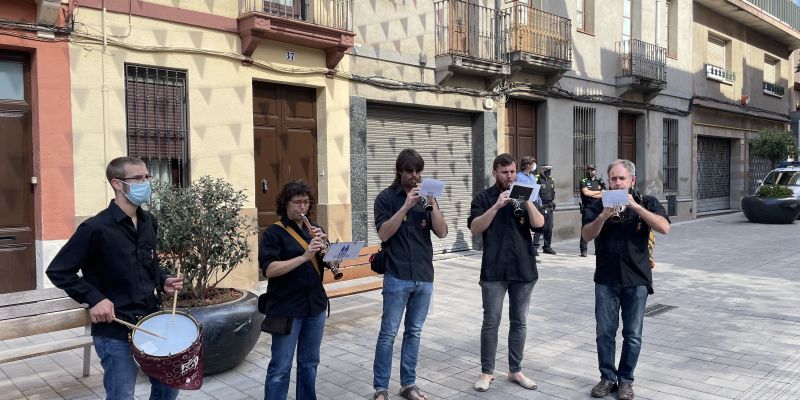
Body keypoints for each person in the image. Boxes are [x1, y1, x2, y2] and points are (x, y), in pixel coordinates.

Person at [46, 156, 183, 400]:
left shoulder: (149, 221)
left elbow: (149, 264)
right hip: (116, 331)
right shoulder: (95, 228)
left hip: (151, 324)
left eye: (147, 177)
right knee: (121, 395)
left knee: (168, 388)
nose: (146, 182)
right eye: (138, 178)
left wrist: (163, 281)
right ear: (117, 184)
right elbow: (58, 270)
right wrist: (94, 298)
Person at [581, 160, 670, 400]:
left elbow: (664, 228)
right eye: (613, 179)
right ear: (608, 181)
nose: (617, 183)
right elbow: (586, 235)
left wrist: (636, 207)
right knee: (605, 332)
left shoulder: (646, 202)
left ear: (632, 180)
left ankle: (626, 380)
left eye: (622, 178)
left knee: (632, 334)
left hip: (637, 279)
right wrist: (603, 216)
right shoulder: (599, 203)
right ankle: (607, 378)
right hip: (606, 278)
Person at [372, 149, 448, 400]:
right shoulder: (385, 198)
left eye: (418, 171)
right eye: (409, 172)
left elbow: (443, 232)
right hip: (397, 274)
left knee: (414, 332)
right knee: (388, 333)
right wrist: (406, 205)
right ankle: (380, 388)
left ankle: (408, 385)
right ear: (400, 171)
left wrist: (433, 203)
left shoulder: (428, 195)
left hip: (424, 275)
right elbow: (383, 234)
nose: (415, 177)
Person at [468, 153, 545, 393]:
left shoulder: (526, 193)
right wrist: (497, 205)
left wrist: (528, 200)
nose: (510, 176)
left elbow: (540, 224)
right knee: (491, 322)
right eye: (505, 172)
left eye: (512, 172)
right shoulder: (483, 198)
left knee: (519, 322)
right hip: (494, 269)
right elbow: (475, 227)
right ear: (495, 173)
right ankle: (486, 372)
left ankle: (515, 370)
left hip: (523, 268)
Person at [258, 180, 329, 400]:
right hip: (287, 308)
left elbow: (327, 263)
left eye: (306, 202)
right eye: (297, 202)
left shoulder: (315, 230)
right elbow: (269, 269)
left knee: (310, 363)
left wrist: (328, 248)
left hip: (315, 305)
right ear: (285, 204)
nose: (302, 207)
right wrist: (304, 256)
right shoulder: (274, 233)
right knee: (281, 367)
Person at [579, 164, 606, 257]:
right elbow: (586, 193)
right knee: (585, 227)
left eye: (592, 170)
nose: (590, 171)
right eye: (589, 170)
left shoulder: (600, 181)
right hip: (588, 207)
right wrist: (599, 192)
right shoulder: (584, 181)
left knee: (599, 228)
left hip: (598, 208)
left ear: (595, 171)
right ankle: (583, 250)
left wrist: (592, 194)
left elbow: (604, 193)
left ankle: (597, 249)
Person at [533, 163, 556, 255]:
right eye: (546, 170)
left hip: (549, 206)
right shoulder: (536, 178)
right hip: (541, 207)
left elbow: (552, 192)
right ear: (542, 170)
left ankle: (547, 247)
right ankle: (534, 247)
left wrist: (552, 202)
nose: (548, 172)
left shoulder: (551, 180)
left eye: (549, 171)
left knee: (549, 227)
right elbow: (534, 193)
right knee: (539, 226)